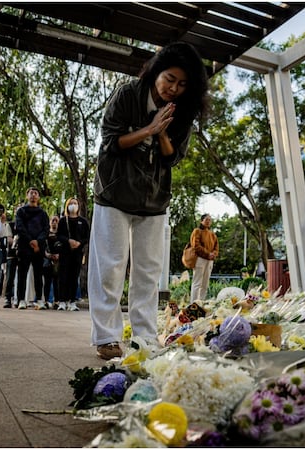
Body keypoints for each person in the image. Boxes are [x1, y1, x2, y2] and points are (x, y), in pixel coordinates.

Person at [87, 41, 209, 360]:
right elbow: (112, 142)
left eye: (182, 84)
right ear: (156, 71)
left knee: (148, 271)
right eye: (169, 78)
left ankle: (144, 337)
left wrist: (163, 134)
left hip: (154, 199)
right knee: (110, 268)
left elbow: (172, 158)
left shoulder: (183, 111)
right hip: (114, 193)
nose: (174, 88)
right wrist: (149, 128)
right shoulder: (127, 94)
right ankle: (106, 337)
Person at [15, 188, 50, 310]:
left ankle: (39, 299)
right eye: (31, 193)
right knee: (22, 274)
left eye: (36, 194)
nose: (33, 195)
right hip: (25, 246)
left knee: (38, 275)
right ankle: (21, 300)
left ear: (39, 197)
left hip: (38, 248)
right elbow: (20, 227)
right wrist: (30, 240)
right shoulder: (21, 212)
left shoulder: (43, 213)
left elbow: (46, 230)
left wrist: (37, 242)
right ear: (27, 196)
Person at [56, 197, 90, 311]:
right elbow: (59, 235)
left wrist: (79, 243)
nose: (73, 205)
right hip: (65, 252)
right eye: (71, 204)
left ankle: (72, 301)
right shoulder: (62, 221)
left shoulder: (83, 221)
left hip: (77, 253)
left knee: (74, 277)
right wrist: (68, 241)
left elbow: (87, 237)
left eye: (75, 203)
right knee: (63, 276)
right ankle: (62, 301)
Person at [190, 214, 218, 301]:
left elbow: (216, 248)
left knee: (205, 283)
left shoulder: (212, 234)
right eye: (206, 219)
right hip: (200, 259)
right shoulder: (197, 231)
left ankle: (201, 303)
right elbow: (196, 246)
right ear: (201, 221)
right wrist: (208, 253)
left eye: (210, 220)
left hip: (209, 261)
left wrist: (213, 254)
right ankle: (193, 304)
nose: (208, 221)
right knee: (197, 283)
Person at [40, 215, 62, 310]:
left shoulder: (61, 235)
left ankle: (56, 301)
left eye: (56, 221)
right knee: (47, 282)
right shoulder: (46, 234)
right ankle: (46, 301)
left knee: (57, 282)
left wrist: (59, 255)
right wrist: (47, 255)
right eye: (52, 220)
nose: (54, 222)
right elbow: (42, 247)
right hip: (47, 261)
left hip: (58, 262)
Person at [2, 208, 20, 308]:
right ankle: (7, 299)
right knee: (10, 277)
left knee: (21, 278)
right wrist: (17, 241)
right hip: (12, 254)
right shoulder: (10, 225)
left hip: (23, 254)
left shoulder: (26, 225)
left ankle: (18, 299)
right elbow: (9, 240)